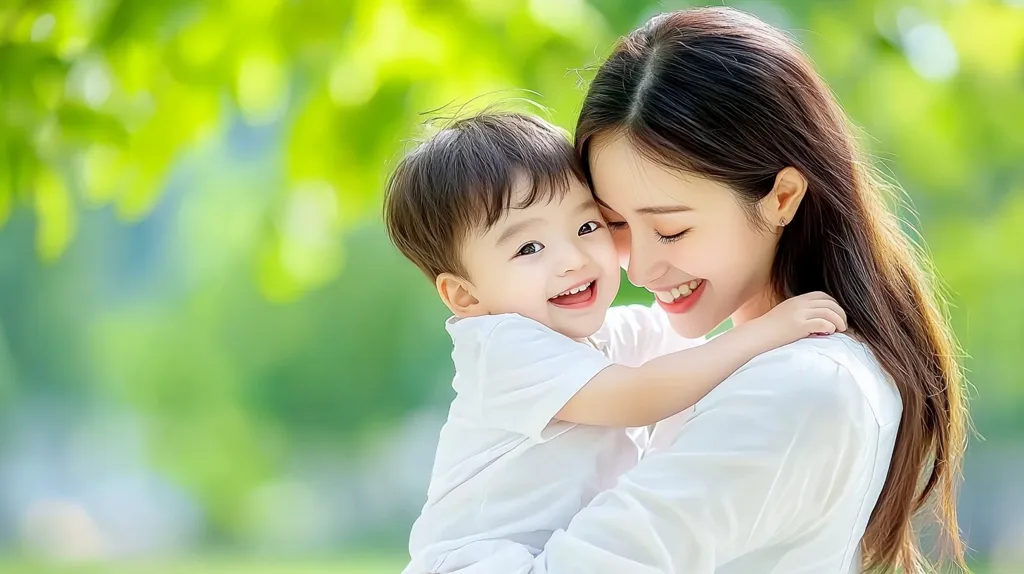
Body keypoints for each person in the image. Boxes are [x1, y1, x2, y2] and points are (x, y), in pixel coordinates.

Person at [449, 7, 969, 574]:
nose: (640, 271)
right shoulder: (750, 364)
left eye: (671, 229)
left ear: (781, 197)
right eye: (614, 224)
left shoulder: (803, 386)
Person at [382, 111, 848, 574]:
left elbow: (686, 354)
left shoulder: (597, 337)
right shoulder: (501, 348)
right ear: (466, 294)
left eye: (587, 227)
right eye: (528, 248)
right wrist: (767, 330)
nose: (572, 259)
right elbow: (640, 395)